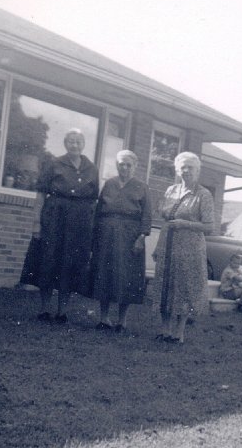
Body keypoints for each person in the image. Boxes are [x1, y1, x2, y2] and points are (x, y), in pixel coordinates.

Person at [32, 129, 99, 323]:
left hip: (79, 224)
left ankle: (62, 311)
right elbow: (40, 195)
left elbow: (94, 200)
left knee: (69, 265)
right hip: (55, 219)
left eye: (78, 141)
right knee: (48, 261)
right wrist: (36, 223)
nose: (74, 145)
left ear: (83, 144)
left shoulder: (91, 169)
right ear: (65, 144)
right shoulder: (54, 164)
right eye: (70, 141)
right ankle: (45, 309)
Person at [152, 151, 215, 343]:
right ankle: (165, 331)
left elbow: (209, 227)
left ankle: (179, 332)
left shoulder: (203, 195)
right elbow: (165, 217)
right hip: (168, 244)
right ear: (177, 170)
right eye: (183, 167)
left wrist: (184, 224)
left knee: (184, 287)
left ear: (198, 170)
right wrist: (158, 246)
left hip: (190, 247)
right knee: (165, 286)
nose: (186, 170)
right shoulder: (171, 191)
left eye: (191, 167)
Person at [91, 150, 152, 332]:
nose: (124, 167)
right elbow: (99, 210)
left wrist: (141, 237)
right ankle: (104, 318)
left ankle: (122, 321)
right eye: (121, 164)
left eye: (128, 164)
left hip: (130, 236)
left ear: (135, 166)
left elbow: (147, 215)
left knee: (127, 276)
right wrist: (96, 234)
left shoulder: (142, 187)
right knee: (106, 274)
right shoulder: (109, 184)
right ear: (116, 165)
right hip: (107, 234)